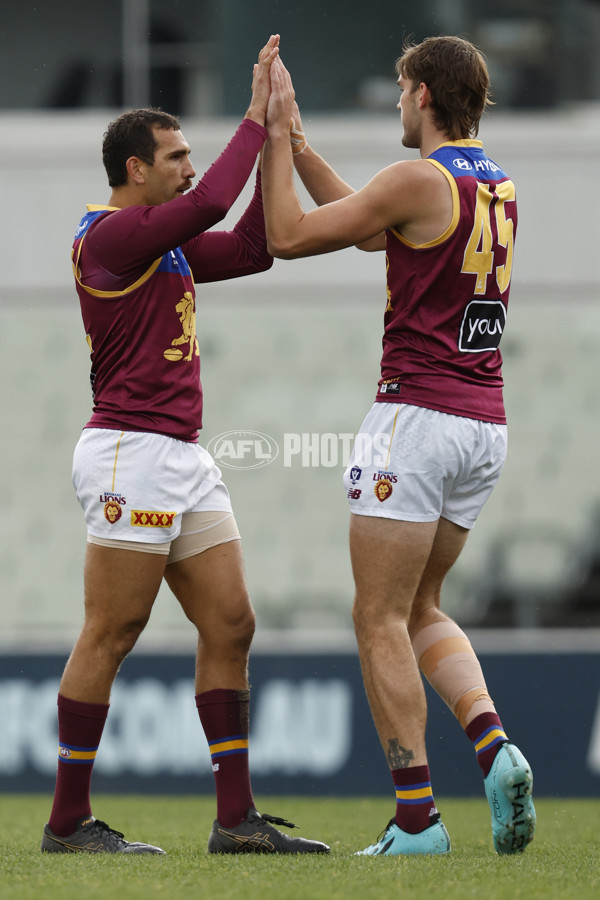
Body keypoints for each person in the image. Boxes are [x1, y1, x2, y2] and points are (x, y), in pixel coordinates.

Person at [41, 33, 329, 857]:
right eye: (175, 156)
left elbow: (249, 247)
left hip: (181, 454)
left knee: (232, 623)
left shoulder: (157, 238)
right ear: (135, 168)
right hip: (130, 449)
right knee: (112, 632)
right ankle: (66, 822)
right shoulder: (109, 237)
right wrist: (250, 116)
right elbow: (208, 212)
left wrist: (277, 137)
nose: (188, 167)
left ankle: (235, 820)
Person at [262, 36, 535, 856]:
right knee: (420, 607)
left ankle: (416, 820)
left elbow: (288, 234)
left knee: (376, 614)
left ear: (422, 95)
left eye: (398, 90)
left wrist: (274, 138)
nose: (394, 103)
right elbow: (378, 232)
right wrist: (306, 147)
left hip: (413, 420)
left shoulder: (418, 176)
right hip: (483, 424)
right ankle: (495, 746)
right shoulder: (494, 183)